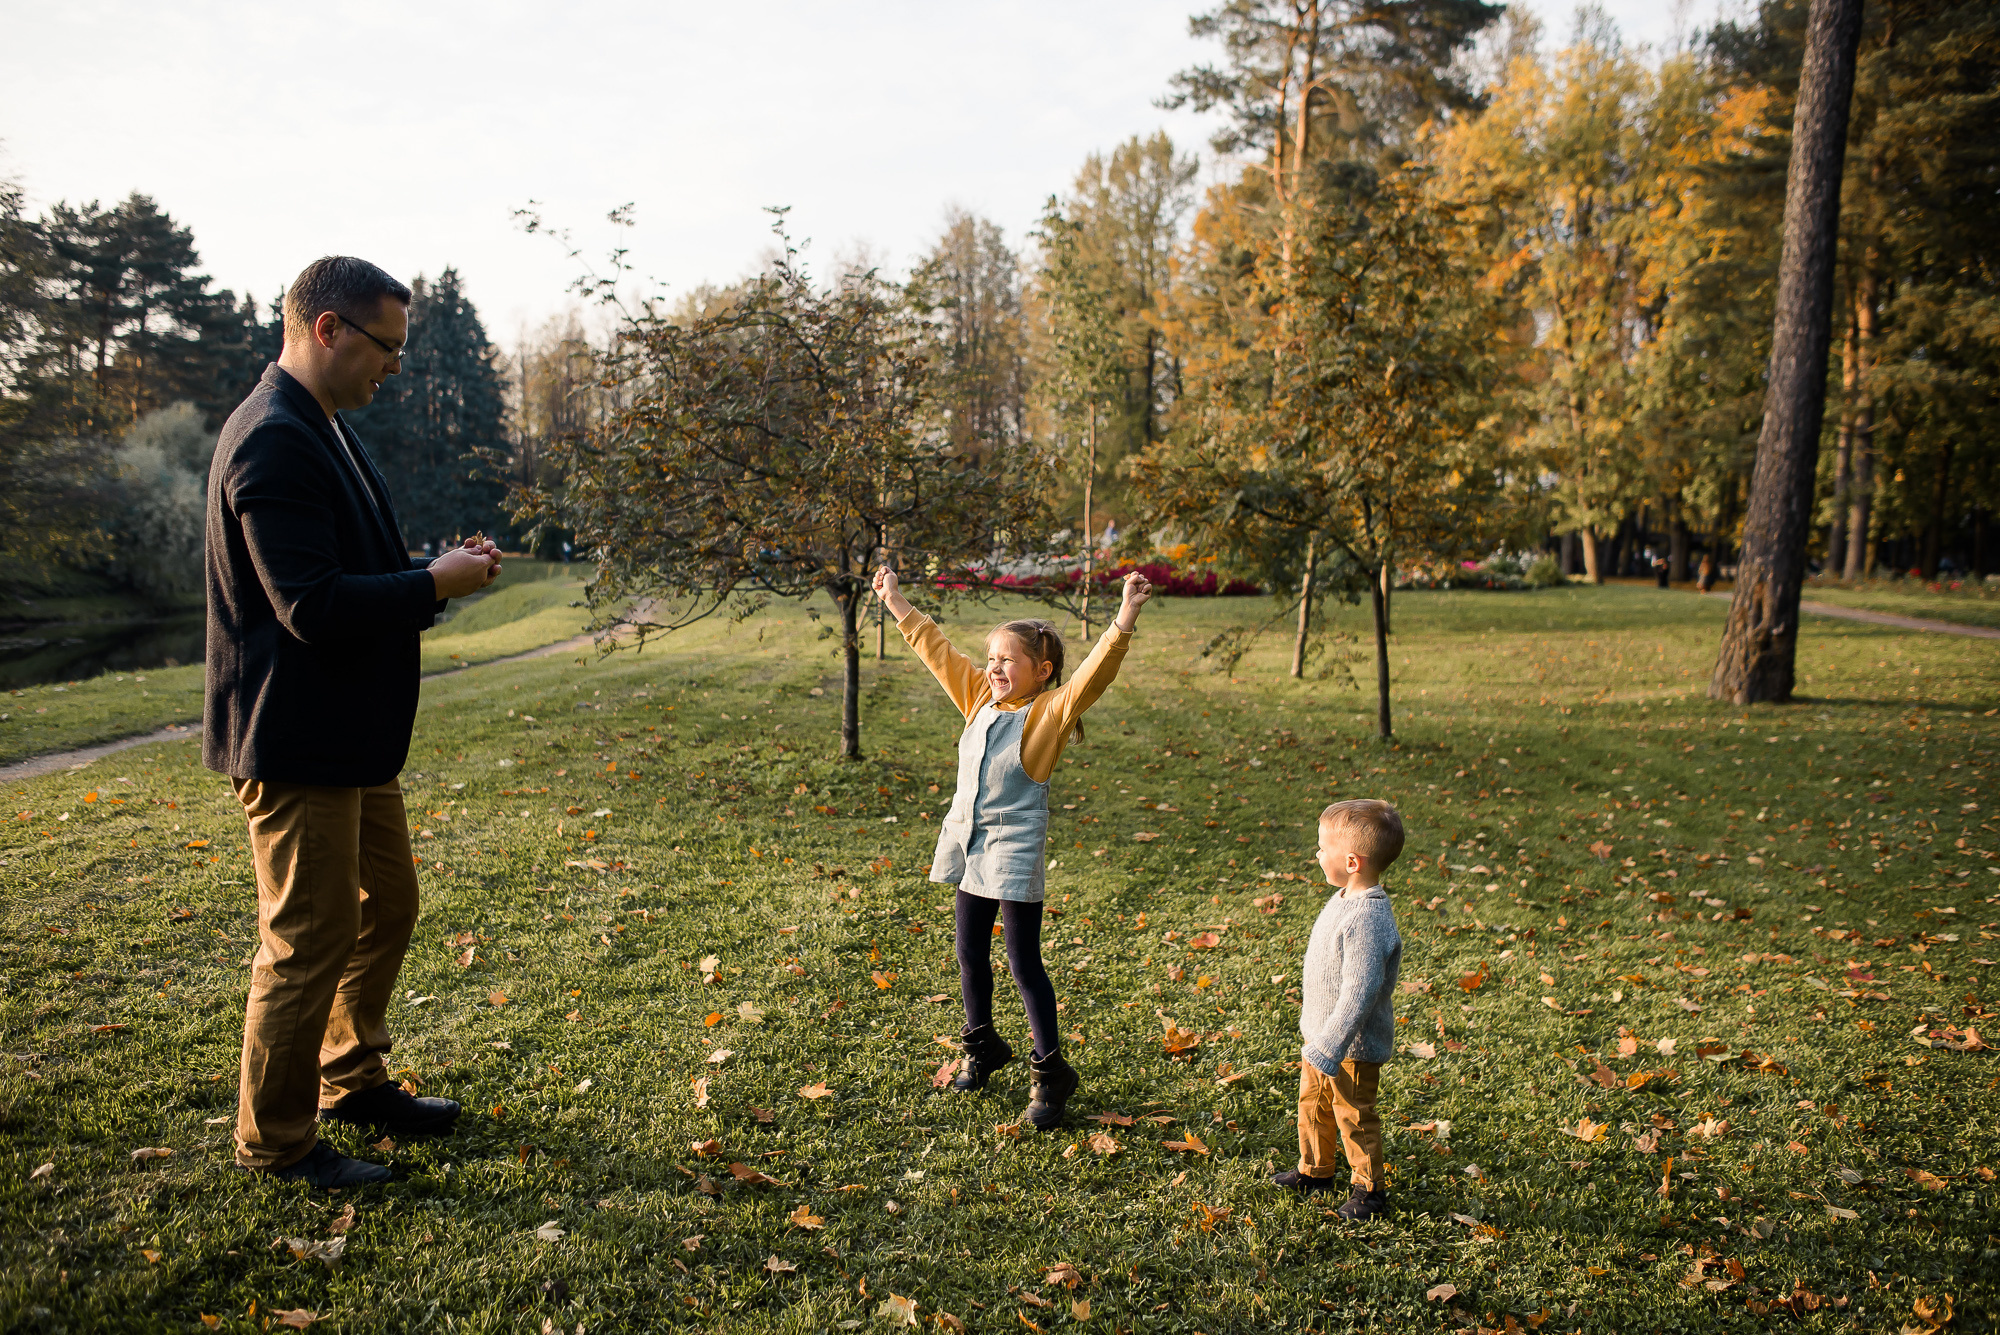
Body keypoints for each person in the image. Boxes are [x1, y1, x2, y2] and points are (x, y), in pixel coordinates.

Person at [206, 256, 502, 1188]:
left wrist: (432, 564)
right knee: (307, 935)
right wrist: (430, 585)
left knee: (388, 905)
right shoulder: (272, 438)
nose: (397, 368)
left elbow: (349, 560)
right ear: (327, 328)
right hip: (296, 738)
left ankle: (352, 1075)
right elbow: (311, 605)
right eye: (388, 347)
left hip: (351, 739)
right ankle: (277, 1141)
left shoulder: (324, 427)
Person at [871, 565, 1154, 1130]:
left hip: (1013, 850)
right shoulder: (978, 697)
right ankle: (982, 1048)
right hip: (968, 843)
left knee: (1024, 964)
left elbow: (1095, 676)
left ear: (1041, 671)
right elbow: (937, 651)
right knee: (969, 952)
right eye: (992, 657)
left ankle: (1051, 1075)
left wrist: (1124, 617)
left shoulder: (1047, 713)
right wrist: (896, 601)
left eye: (1009, 660)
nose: (994, 667)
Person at [1272, 799, 1405, 1221]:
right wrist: (1320, 1038)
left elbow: (1360, 990)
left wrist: (1333, 1041)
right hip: (1322, 1037)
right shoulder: (1344, 898)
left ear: (1351, 861)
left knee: (1353, 1113)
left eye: (1321, 848)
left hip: (1352, 1045)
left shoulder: (1367, 918)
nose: (1316, 855)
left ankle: (1369, 1189)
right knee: (1313, 1104)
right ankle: (1315, 1170)